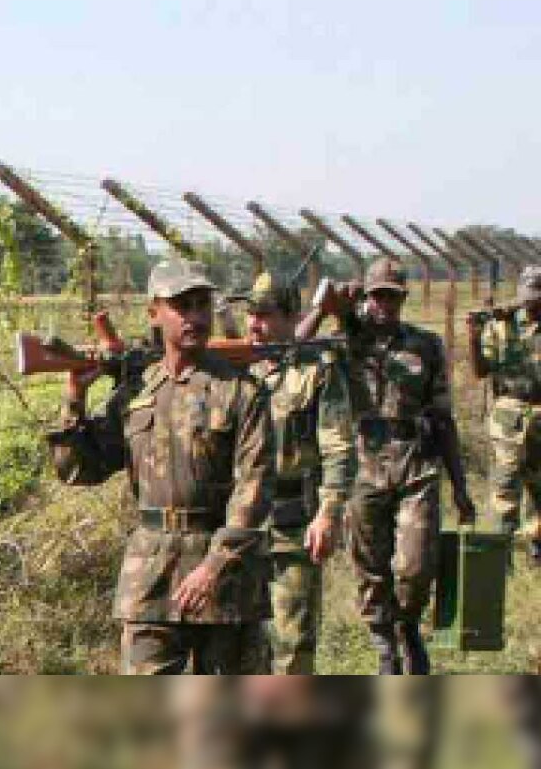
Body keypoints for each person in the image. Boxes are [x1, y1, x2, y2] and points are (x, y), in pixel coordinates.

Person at [46, 258, 275, 674]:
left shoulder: (240, 392)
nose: (195, 317)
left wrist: (214, 566)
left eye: (202, 305)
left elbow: (255, 488)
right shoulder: (137, 391)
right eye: (182, 306)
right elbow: (79, 469)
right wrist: (74, 399)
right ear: (154, 313)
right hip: (150, 572)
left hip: (224, 576)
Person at [301, 257, 475, 674]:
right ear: (366, 298)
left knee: (416, 566)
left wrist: (461, 487)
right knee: (370, 565)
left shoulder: (426, 345)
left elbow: (443, 417)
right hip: (363, 464)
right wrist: (325, 305)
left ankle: (408, 626)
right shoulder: (346, 337)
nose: (384, 306)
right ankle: (384, 643)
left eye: (392, 298)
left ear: (402, 300)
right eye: (376, 297)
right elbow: (296, 348)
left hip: (416, 464)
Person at [243, 272, 356, 674]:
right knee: (241, 642)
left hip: (292, 523)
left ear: (292, 317)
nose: (254, 325)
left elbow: (338, 446)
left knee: (292, 644)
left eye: (265, 315)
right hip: (240, 526)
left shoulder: (318, 371)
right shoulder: (238, 370)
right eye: (250, 314)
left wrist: (329, 512)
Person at [468, 264, 541, 565]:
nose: (532, 303)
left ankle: (536, 548)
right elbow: (480, 370)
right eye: (528, 296)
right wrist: (474, 336)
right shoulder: (501, 325)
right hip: (509, 414)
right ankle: (501, 558)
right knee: (504, 486)